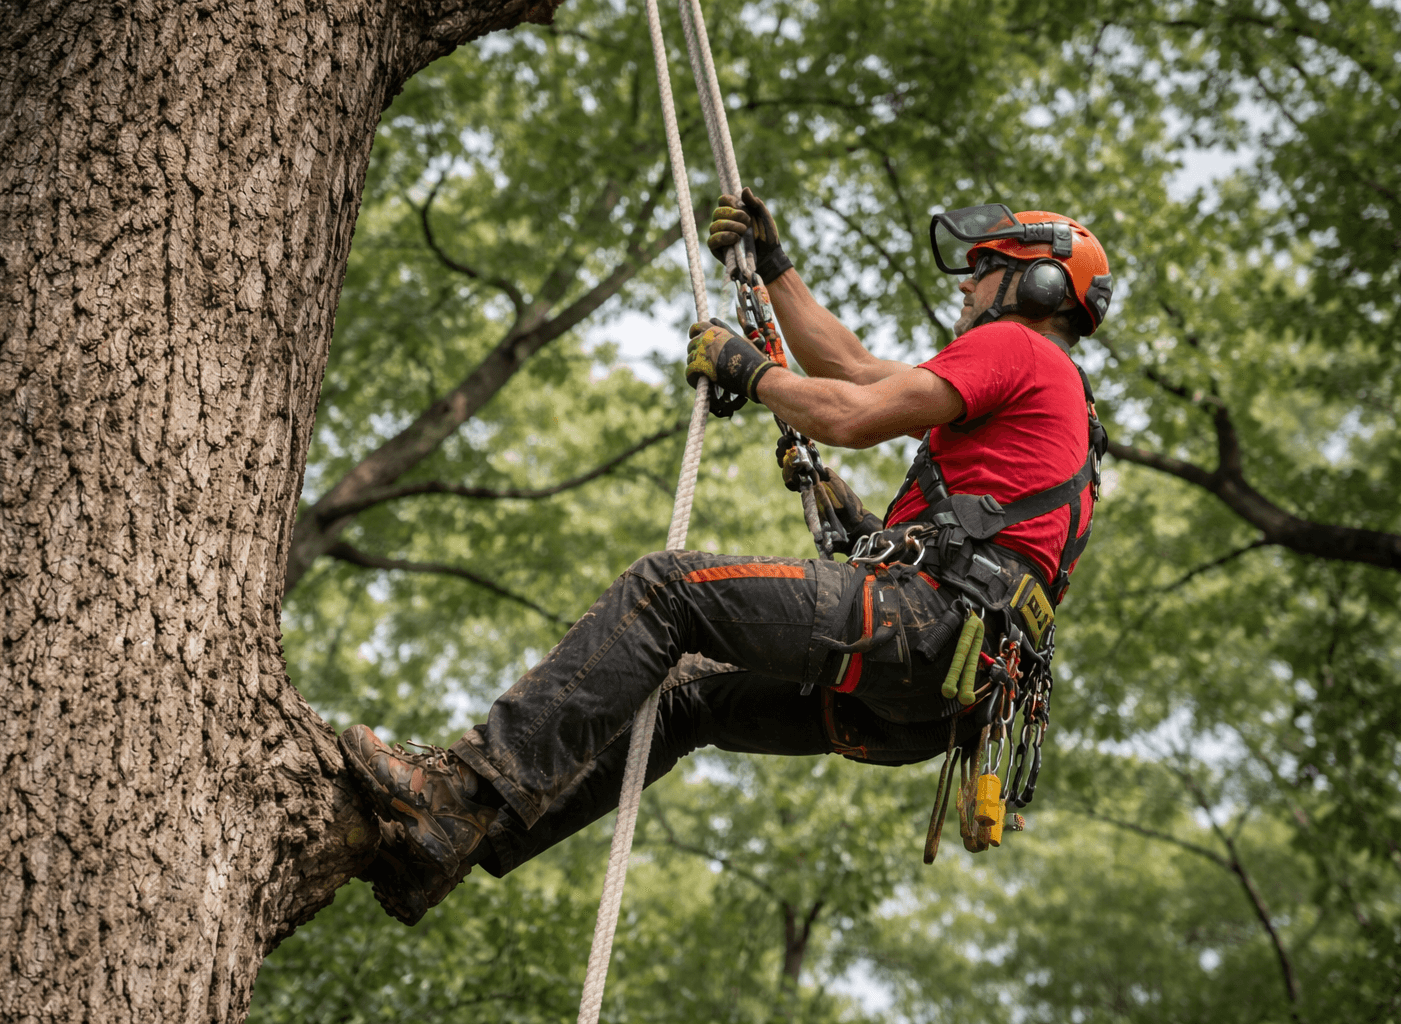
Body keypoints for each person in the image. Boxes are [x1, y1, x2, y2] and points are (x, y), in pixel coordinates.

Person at [339, 194, 1114, 925]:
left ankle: (459, 795)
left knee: (668, 591)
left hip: (925, 628)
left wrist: (751, 370)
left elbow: (851, 413)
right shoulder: (1057, 400)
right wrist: (774, 267)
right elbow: (852, 369)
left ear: (1039, 285)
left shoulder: (1014, 347)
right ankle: (452, 850)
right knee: (686, 702)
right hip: (943, 700)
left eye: (985, 268)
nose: (968, 285)